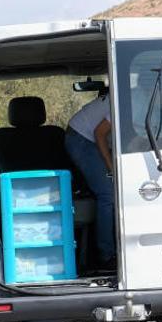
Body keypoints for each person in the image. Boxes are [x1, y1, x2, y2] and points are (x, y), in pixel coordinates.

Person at [64, 90, 115, 268]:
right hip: (82, 138)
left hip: (92, 138)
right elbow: (99, 133)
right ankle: (106, 256)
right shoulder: (136, 101)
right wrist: (110, 167)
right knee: (108, 194)